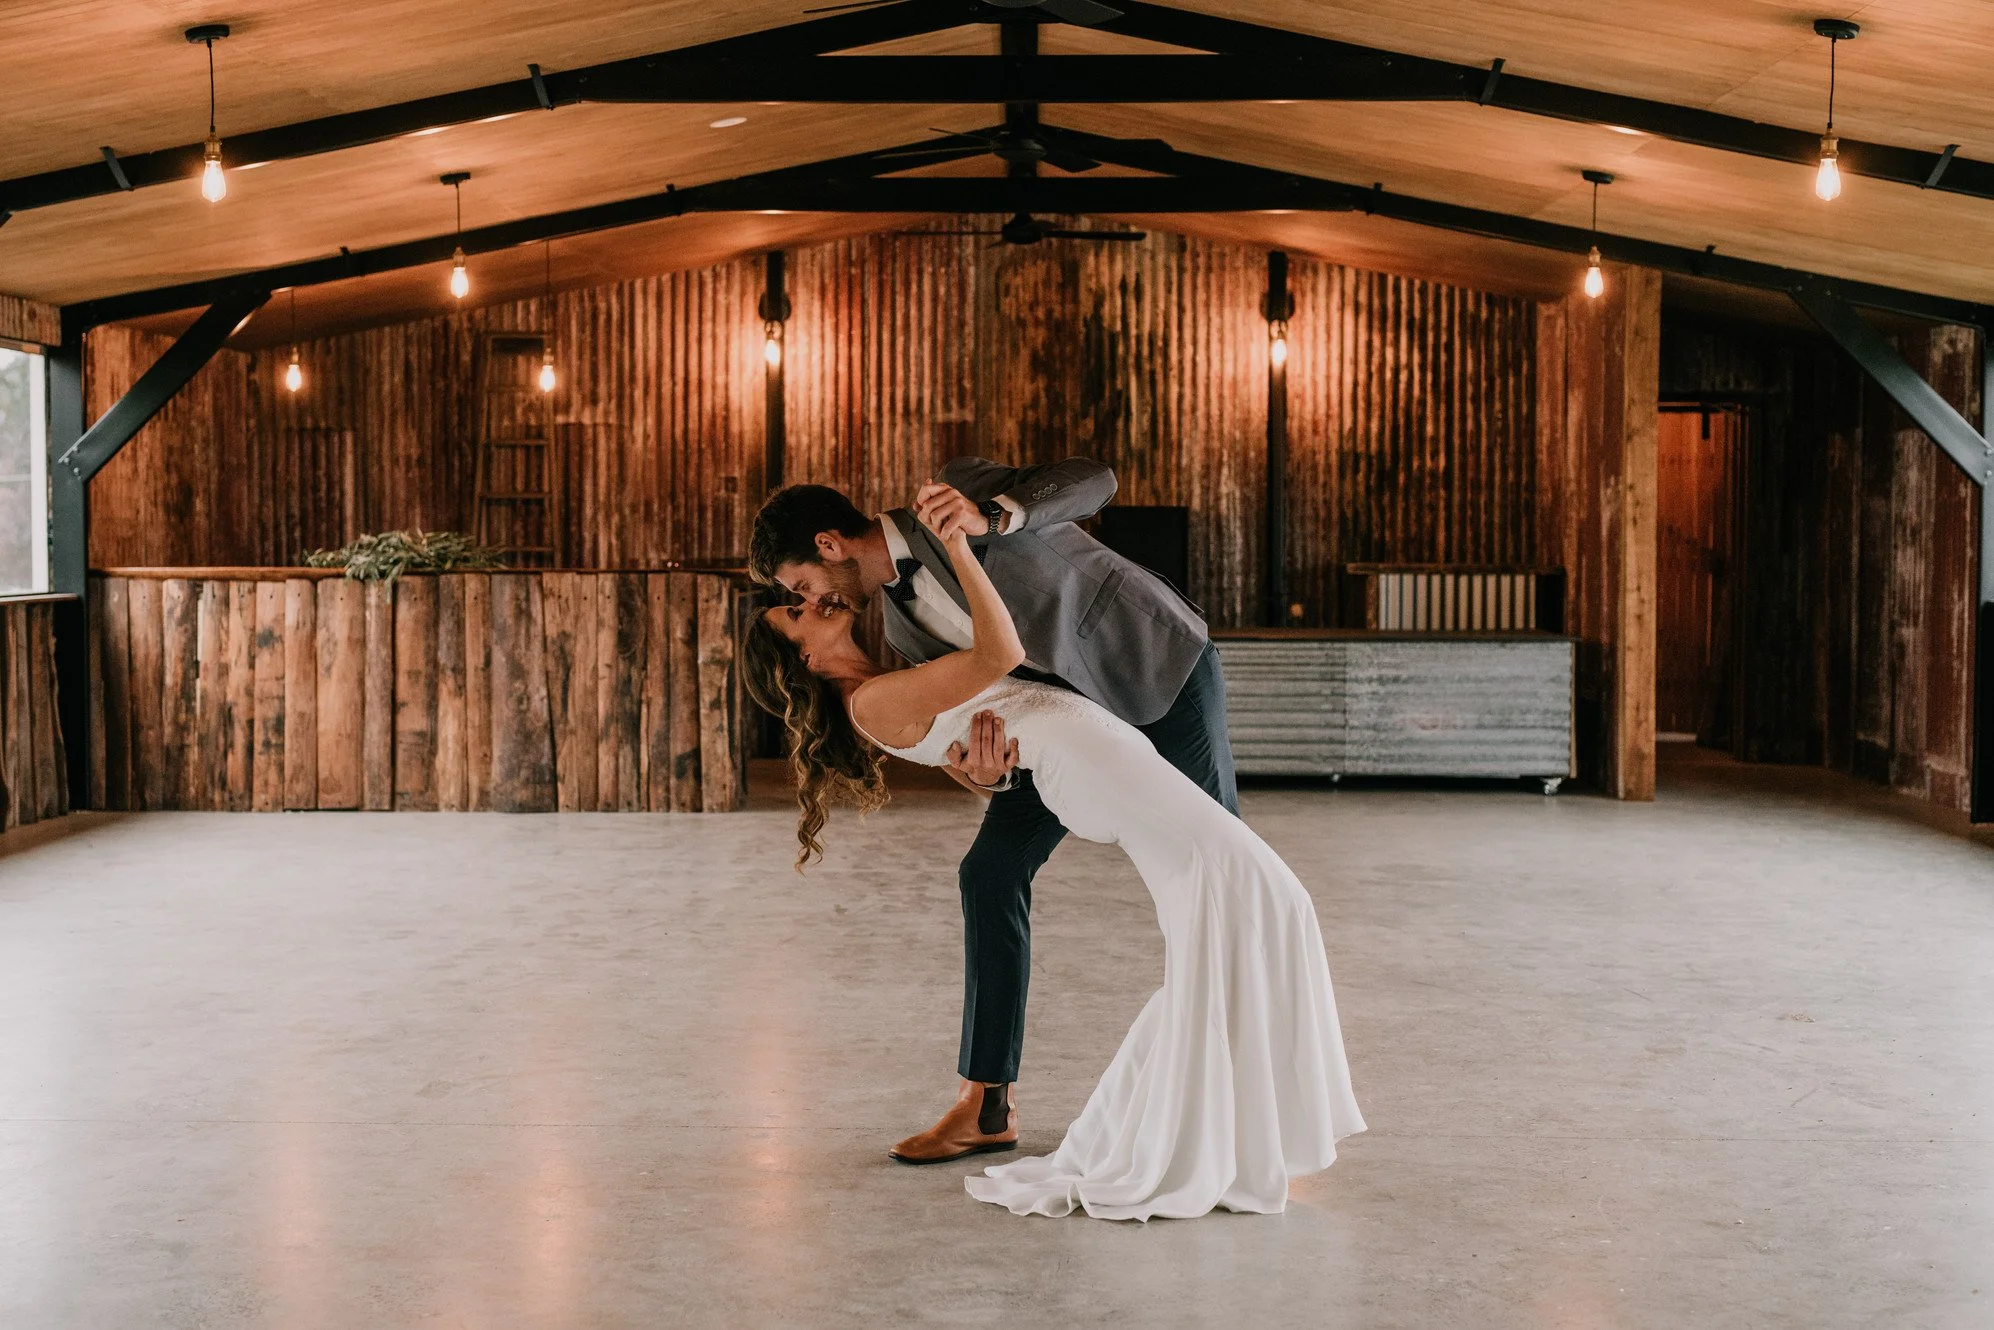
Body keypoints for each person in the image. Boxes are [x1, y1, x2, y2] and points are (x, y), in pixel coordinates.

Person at [743, 485, 1365, 1220]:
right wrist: (986, 774)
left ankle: (1230, 1109)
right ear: (807, 660)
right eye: (796, 605)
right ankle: (987, 1102)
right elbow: (976, 714)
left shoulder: (958, 496)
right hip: (1072, 745)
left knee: (1225, 900)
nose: (807, 600)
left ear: (828, 545)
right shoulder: (897, 645)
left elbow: (1091, 481)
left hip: (1154, 670)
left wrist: (988, 522)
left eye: (798, 589)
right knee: (1002, 872)